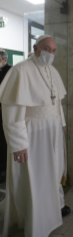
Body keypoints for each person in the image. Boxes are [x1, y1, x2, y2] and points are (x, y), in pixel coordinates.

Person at [0, 35, 70, 237]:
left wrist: (62, 123)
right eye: (47, 48)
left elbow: (56, 102)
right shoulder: (20, 70)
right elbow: (12, 111)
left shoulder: (53, 71)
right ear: (36, 48)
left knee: (54, 172)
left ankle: (52, 210)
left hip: (53, 131)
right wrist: (18, 144)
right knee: (34, 178)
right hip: (32, 135)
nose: (51, 53)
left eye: (54, 50)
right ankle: (34, 221)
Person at [0, 49, 12, 184]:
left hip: (5, 111)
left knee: (3, 141)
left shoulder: (11, 71)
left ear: (4, 59)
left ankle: (4, 170)